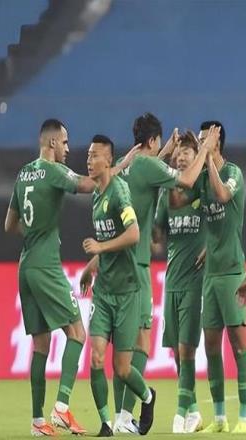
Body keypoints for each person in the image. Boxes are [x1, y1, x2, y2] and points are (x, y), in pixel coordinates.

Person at [4, 119, 137, 436]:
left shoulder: (23, 174)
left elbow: (9, 224)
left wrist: (34, 234)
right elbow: (90, 184)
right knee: (77, 332)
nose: (67, 148)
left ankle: (38, 421)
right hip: (46, 266)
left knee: (40, 344)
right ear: (52, 143)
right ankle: (61, 407)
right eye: (64, 142)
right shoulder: (54, 170)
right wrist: (120, 165)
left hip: (25, 266)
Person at [113, 113, 211, 434]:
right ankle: (130, 411)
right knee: (143, 341)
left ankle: (126, 415)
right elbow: (182, 181)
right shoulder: (156, 174)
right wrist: (205, 149)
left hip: (118, 264)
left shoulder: (124, 164)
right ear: (154, 140)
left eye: (186, 151)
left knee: (126, 345)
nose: (178, 155)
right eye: (173, 149)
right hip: (141, 267)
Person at [170, 122, 246, 434]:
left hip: (232, 271)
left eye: (206, 139)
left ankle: (243, 417)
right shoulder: (201, 178)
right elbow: (176, 198)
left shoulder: (232, 173)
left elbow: (222, 195)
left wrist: (205, 159)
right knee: (212, 347)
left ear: (217, 142)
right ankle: (219, 419)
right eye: (201, 140)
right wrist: (173, 160)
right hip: (210, 274)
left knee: (239, 346)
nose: (202, 144)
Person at [80, 135, 155, 437]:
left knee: (122, 368)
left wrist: (99, 247)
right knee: (96, 358)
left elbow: (134, 234)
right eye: (88, 155)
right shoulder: (97, 195)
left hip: (127, 293)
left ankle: (147, 397)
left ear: (108, 160)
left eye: (95, 155)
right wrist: (91, 266)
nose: (89, 160)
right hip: (104, 292)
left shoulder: (120, 191)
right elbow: (108, 241)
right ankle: (105, 424)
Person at [153, 131, 206, 433]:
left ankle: (180, 414)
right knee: (176, 349)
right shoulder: (167, 192)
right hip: (172, 279)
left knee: (187, 349)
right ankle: (194, 411)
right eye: (179, 152)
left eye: (187, 151)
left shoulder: (203, 186)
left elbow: (222, 221)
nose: (181, 156)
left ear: (196, 155)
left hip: (196, 280)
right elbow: (157, 236)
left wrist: (211, 246)